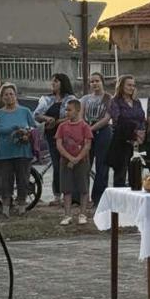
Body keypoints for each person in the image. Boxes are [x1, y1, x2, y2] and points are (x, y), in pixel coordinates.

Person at [34, 73, 78, 206]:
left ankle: (70, 195)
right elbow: (36, 115)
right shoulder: (46, 99)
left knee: (68, 164)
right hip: (52, 136)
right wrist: (47, 119)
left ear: (63, 83)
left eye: (56, 81)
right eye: (52, 81)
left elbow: (73, 116)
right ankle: (57, 195)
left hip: (68, 136)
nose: (53, 83)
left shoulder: (71, 99)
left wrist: (57, 121)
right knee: (57, 165)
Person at [0, 84, 37, 218]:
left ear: (16, 95)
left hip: (22, 152)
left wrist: (27, 134)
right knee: (5, 181)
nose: (9, 97)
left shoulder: (25, 111)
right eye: (6, 95)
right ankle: (6, 209)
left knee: (23, 179)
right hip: (3, 153)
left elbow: (34, 128)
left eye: (11, 94)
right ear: (2, 97)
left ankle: (22, 207)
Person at [55, 98, 93, 226]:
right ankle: (67, 215)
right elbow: (59, 144)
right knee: (66, 188)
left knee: (83, 187)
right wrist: (70, 158)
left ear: (77, 110)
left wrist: (78, 158)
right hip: (65, 161)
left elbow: (87, 145)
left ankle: (83, 214)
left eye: (69, 110)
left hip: (82, 161)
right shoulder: (62, 126)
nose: (67, 112)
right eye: (66, 110)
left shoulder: (84, 126)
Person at [107, 75, 146, 189]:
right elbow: (118, 120)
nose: (131, 88)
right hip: (122, 141)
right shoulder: (115, 101)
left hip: (138, 142)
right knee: (120, 175)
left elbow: (141, 118)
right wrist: (135, 132)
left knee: (136, 174)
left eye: (133, 85)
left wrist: (141, 133)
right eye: (129, 85)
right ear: (121, 86)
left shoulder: (137, 102)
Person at [81, 72, 113, 205]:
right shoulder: (85, 99)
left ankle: (99, 198)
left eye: (97, 81)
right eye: (92, 81)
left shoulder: (109, 98)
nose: (94, 84)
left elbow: (107, 117)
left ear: (102, 82)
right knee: (85, 165)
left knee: (102, 166)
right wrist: (85, 129)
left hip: (103, 132)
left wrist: (92, 128)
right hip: (86, 132)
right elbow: (81, 116)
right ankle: (83, 197)